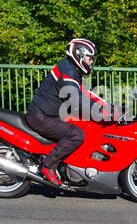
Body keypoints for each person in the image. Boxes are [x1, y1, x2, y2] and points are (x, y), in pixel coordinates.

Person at [25, 38, 116, 186]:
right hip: (41, 116)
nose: (91, 62)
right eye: (89, 58)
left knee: (86, 126)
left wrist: (105, 106)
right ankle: (48, 166)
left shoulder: (72, 69)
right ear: (79, 54)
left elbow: (82, 93)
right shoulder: (68, 70)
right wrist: (100, 111)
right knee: (76, 134)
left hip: (49, 113)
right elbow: (75, 98)